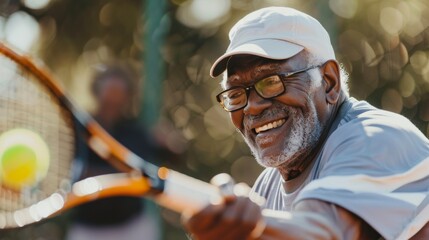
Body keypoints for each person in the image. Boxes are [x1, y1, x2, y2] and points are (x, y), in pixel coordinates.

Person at [183, 7, 429, 240]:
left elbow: (324, 231)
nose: (252, 107)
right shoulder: (267, 188)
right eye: (236, 94)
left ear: (329, 82)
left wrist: (251, 228)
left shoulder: (376, 138)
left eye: (271, 81)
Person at [67, 66, 161, 240]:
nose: (113, 99)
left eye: (119, 93)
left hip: (133, 226)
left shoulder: (136, 132)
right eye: (110, 91)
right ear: (97, 91)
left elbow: (142, 172)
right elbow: (74, 173)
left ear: (127, 96)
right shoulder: (78, 128)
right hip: (88, 228)